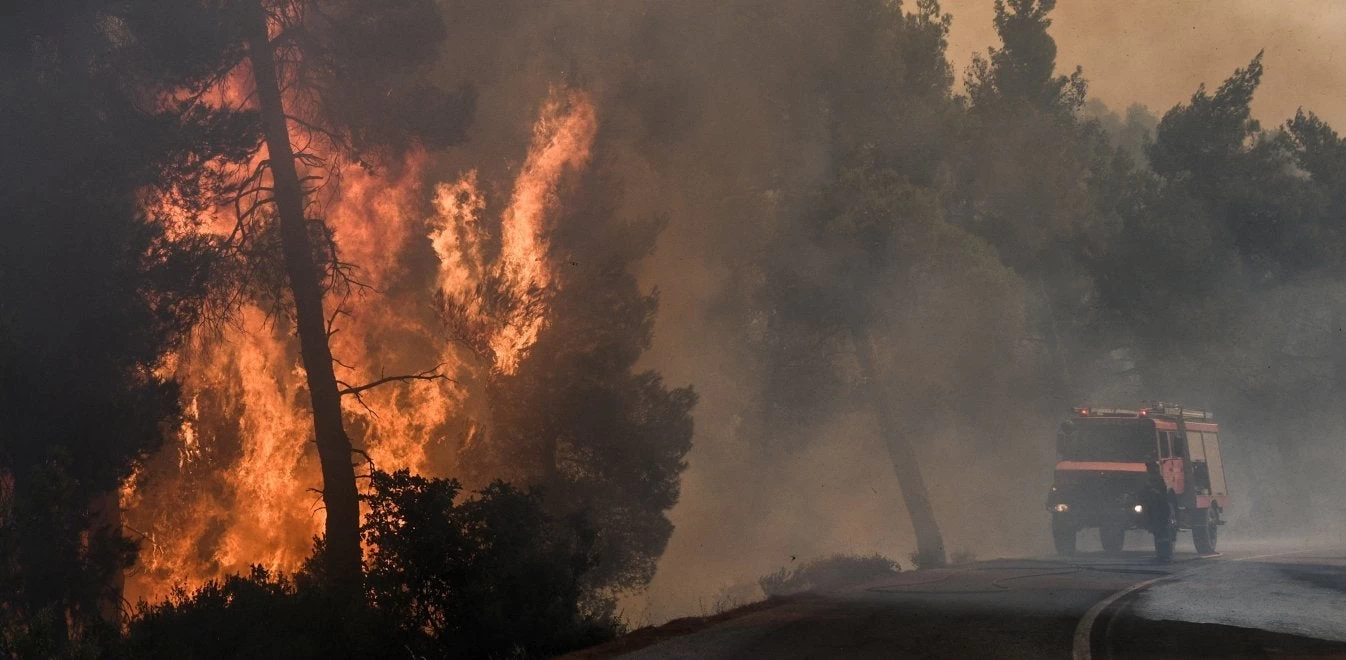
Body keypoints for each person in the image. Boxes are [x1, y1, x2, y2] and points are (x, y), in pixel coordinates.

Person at [1141, 460, 1176, 561]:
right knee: (1159, 534)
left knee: (1162, 534)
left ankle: (1165, 555)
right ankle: (1162, 555)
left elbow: (1161, 494)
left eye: (1149, 468)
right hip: (1157, 510)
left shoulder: (1158, 480)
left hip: (1160, 510)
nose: (1148, 470)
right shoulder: (1153, 479)